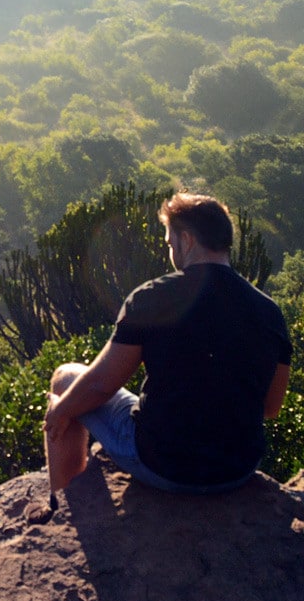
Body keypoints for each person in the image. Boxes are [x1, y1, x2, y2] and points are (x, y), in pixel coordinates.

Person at [43, 192, 292, 497]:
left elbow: (100, 385)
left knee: (66, 378)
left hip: (163, 464)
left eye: (171, 243)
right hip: (237, 469)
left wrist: (61, 411)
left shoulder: (152, 298)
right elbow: (271, 407)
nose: (171, 252)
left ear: (187, 241)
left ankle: (64, 503)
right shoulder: (270, 312)